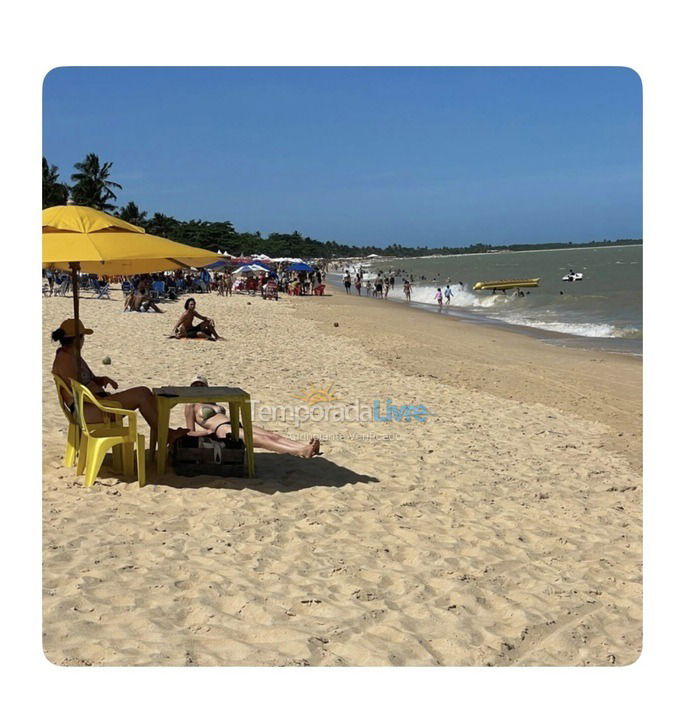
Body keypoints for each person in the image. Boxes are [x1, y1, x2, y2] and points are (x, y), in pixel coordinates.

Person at [51, 319, 187, 444]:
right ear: (77, 339)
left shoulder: (73, 355)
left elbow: (88, 380)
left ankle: (164, 432)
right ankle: (166, 434)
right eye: (83, 337)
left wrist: (101, 379)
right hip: (91, 410)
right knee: (142, 394)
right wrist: (102, 400)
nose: (84, 341)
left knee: (146, 395)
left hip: (95, 404)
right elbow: (77, 391)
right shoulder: (65, 360)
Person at [184, 376, 321, 458]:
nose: (199, 387)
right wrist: (207, 432)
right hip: (222, 429)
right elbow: (189, 432)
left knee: (272, 436)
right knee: (262, 440)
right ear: (190, 388)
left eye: (202, 384)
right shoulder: (191, 405)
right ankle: (300, 451)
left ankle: (304, 446)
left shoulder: (213, 401)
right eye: (195, 385)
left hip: (236, 425)